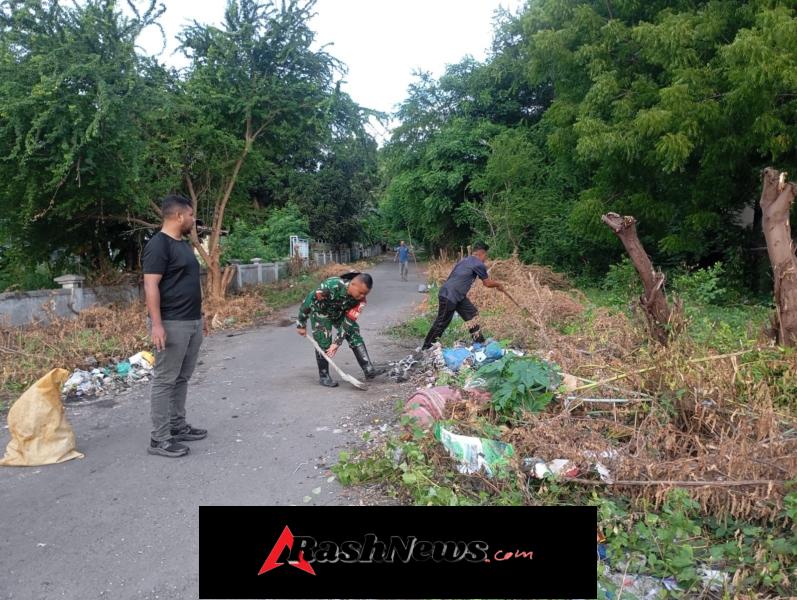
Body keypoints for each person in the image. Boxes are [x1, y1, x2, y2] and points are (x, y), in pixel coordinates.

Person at [142, 194, 209, 458]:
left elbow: (187, 283)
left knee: (182, 377)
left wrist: (200, 315)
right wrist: (157, 324)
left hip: (191, 320)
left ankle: (177, 426)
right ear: (179, 216)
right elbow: (150, 285)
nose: (194, 220)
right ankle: (159, 439)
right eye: (191, 215)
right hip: (171, 323)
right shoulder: (158, 245)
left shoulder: (183, 245)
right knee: (165, 380)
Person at [296, 272, 386, 387]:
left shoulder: (361, 301)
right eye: (361, 292)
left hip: (339, 313)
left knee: (353, 333)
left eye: (365, 294)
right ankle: (324, 376)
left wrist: (337, 343)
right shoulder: (330, 286)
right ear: (352, 284)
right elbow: (308, 301)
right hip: (321, 312)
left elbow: (349, 322)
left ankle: (368, 369)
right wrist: (301, 324)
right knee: (323, 340)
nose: (362, 296)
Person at [421, 242, 504, 350]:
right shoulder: (478, 264)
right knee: (441, 323)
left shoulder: (464, 260)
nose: (485, 259)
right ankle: (426, 348)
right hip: (450, 295)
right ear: (481, 253)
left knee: (472, 315)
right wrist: (499, 285)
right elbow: (487, 283)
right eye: (485, 256)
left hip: (456, 295)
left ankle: (479, 343)